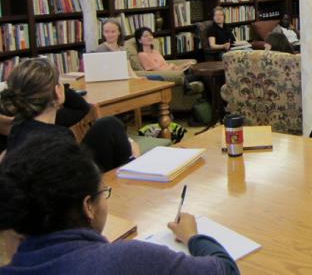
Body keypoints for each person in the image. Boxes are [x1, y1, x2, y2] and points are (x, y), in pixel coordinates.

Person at [0, 135, 240, 274]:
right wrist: (193, 237)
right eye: (103, 192)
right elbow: (225, 270)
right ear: (88, 207)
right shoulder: (128, 260)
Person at [0, 58, 138, 172]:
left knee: (108, 125)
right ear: (58, 91)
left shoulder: (18, 128)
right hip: (76, 192)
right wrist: (132, 159)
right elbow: (86, 185)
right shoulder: (59, 139)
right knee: (120, 136)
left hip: (44, 183)